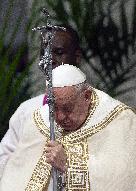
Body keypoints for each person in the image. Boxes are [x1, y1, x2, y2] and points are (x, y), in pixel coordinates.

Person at [0, 64, 136, 191]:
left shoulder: (120, 119)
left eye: (67, 108)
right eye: (54, 108)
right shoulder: (40, 119)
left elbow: (123, 176)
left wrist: (69, 164)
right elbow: (15, 179)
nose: (59, 117)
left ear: (87, 96)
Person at [0, 25, 82, 178]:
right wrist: (29, 158)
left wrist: (69, 163)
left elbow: (116, 167)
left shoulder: (102, 110)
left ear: (77, 57)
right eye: (44, 53)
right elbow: (4, 160)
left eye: (58, 52)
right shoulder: (27, 110)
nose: (49, 60)